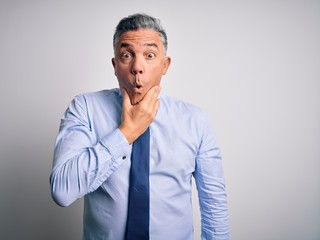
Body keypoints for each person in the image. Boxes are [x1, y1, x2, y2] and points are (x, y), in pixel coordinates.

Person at [50, 13, 229, 239]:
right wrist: (126, 133)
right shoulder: (85, 108)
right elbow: (62, 192)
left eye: (150, 55)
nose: (137, 67)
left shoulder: (194, 120)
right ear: (115, 65)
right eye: (126, 55)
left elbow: (214, 206)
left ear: (165, 65)